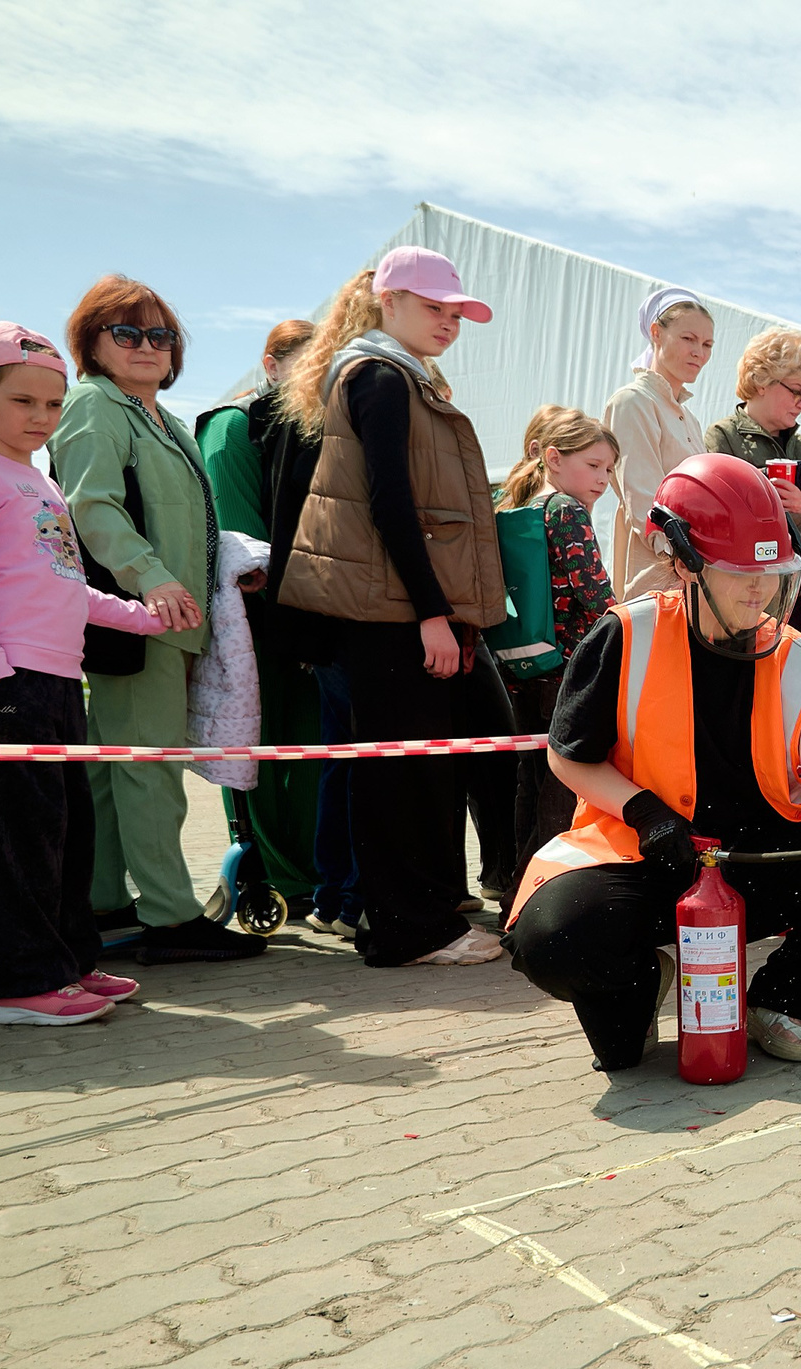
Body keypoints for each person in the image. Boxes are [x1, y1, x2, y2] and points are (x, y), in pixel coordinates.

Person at [504, 453, 801, 1069]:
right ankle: (642, 985)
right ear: (683, 562)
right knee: (553, 936)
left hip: (750, 860)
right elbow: (567, 757)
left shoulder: (794, 657)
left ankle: (783, 1001)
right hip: (649, 854)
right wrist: (646, 813)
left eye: (770, 573)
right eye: (740, 573)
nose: (761, 589)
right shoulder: (625, 636)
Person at [0, 324, 194, 1024]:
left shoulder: (38, 479)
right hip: (4, 682)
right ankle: (22, 984)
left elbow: (62, 583)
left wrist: (143, 617)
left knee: (68, 832)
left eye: (52, 404)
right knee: (18, 837)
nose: (41, 418)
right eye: (23, 401)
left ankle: (72, 963)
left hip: (55, 678)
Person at [277, 246, 512, 968]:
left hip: (395, 611)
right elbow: (392, 506)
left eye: (456, 312)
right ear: (389, 301)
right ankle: (411, 930)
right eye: (433, 307)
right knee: (400, 774)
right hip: (388, 616)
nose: (448, 322)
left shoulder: (397, 375)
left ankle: (423, 917)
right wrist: (432, 614)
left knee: (418, 770)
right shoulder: (378, 376)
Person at [50, 275, 264, 966]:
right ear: (91, 343)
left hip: (169, 617)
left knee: (121, 766)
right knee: (148, 766)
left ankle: (105, 902)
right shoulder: (93, 405)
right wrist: (154, 579)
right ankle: (171, 918)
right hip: (136, 615)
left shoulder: (162, 419)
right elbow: (93, 507)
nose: (147, 346)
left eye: (161, 334)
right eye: (127, 332)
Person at [195, 317, 323, 917]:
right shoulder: (234, 425)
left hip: (312, 618)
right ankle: (275, 873)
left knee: (311, 749)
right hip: (259, 621)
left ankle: (310, 872)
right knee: (266, 753)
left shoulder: (315, 427)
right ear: (270, 365)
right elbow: (239, 542)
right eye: (305, 364)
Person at [492, 405, 618, 882]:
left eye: (608, 469)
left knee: (530, 780)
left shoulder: (515, 504)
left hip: (523, 665)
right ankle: (546, 888)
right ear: (553, 457)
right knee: (564, 787)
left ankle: (515, 885)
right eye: (593, 465)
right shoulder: (566, 510)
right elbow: (595, 594)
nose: (603, 479)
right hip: (569, 670)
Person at [706, 328, 801, 615]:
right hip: (745, 601)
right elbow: (727, 518)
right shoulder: (723, 436)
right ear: (761, 380)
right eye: (797, 391)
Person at [604, 288, 715, 598]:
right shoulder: (632, 401)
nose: (699, 353)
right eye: (688, 339)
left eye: (707, 344)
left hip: (695, 578)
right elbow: (644, 501)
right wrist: (687, 560)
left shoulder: (688, 417)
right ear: (656, 333)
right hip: (659, 581)